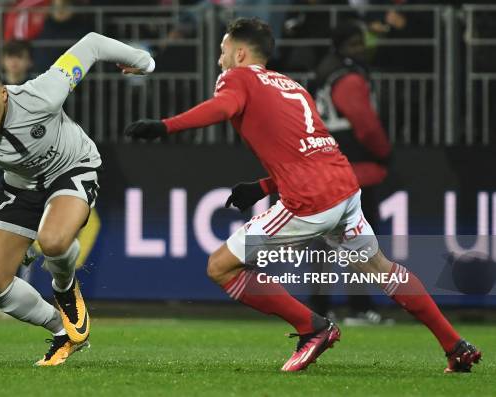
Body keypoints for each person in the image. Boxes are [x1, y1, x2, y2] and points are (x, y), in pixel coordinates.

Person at [124, 17, 481, 373]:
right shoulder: (292, 86)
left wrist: (165, 126)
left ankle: (313, 327)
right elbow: (310, 150)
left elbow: (223, 107)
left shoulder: (237, 78)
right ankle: (455, 345)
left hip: (310, 201)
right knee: (381, 268)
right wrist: (263, 187)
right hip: (344, 187)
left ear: (240, 52)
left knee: (221, 267)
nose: (220, 60)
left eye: (222, 52)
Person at [0, 32, 155, 366]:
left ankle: (64, 286)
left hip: (72, 168)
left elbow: (90, 44)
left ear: (3, 93)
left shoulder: (42, 93)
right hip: (20, 185)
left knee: (53, 242)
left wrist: (143, 62)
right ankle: (64, 331)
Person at [311, 20, 392, 325]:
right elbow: (366, 124)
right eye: (356, 44)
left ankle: (320, 308)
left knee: (324, 243)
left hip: (323, 171)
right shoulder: (348, 78)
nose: (362, 50)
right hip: (353, 172)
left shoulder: (324, 72)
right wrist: (385, 152)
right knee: (359, 243)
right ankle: (358, 307)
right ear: (344, 46)